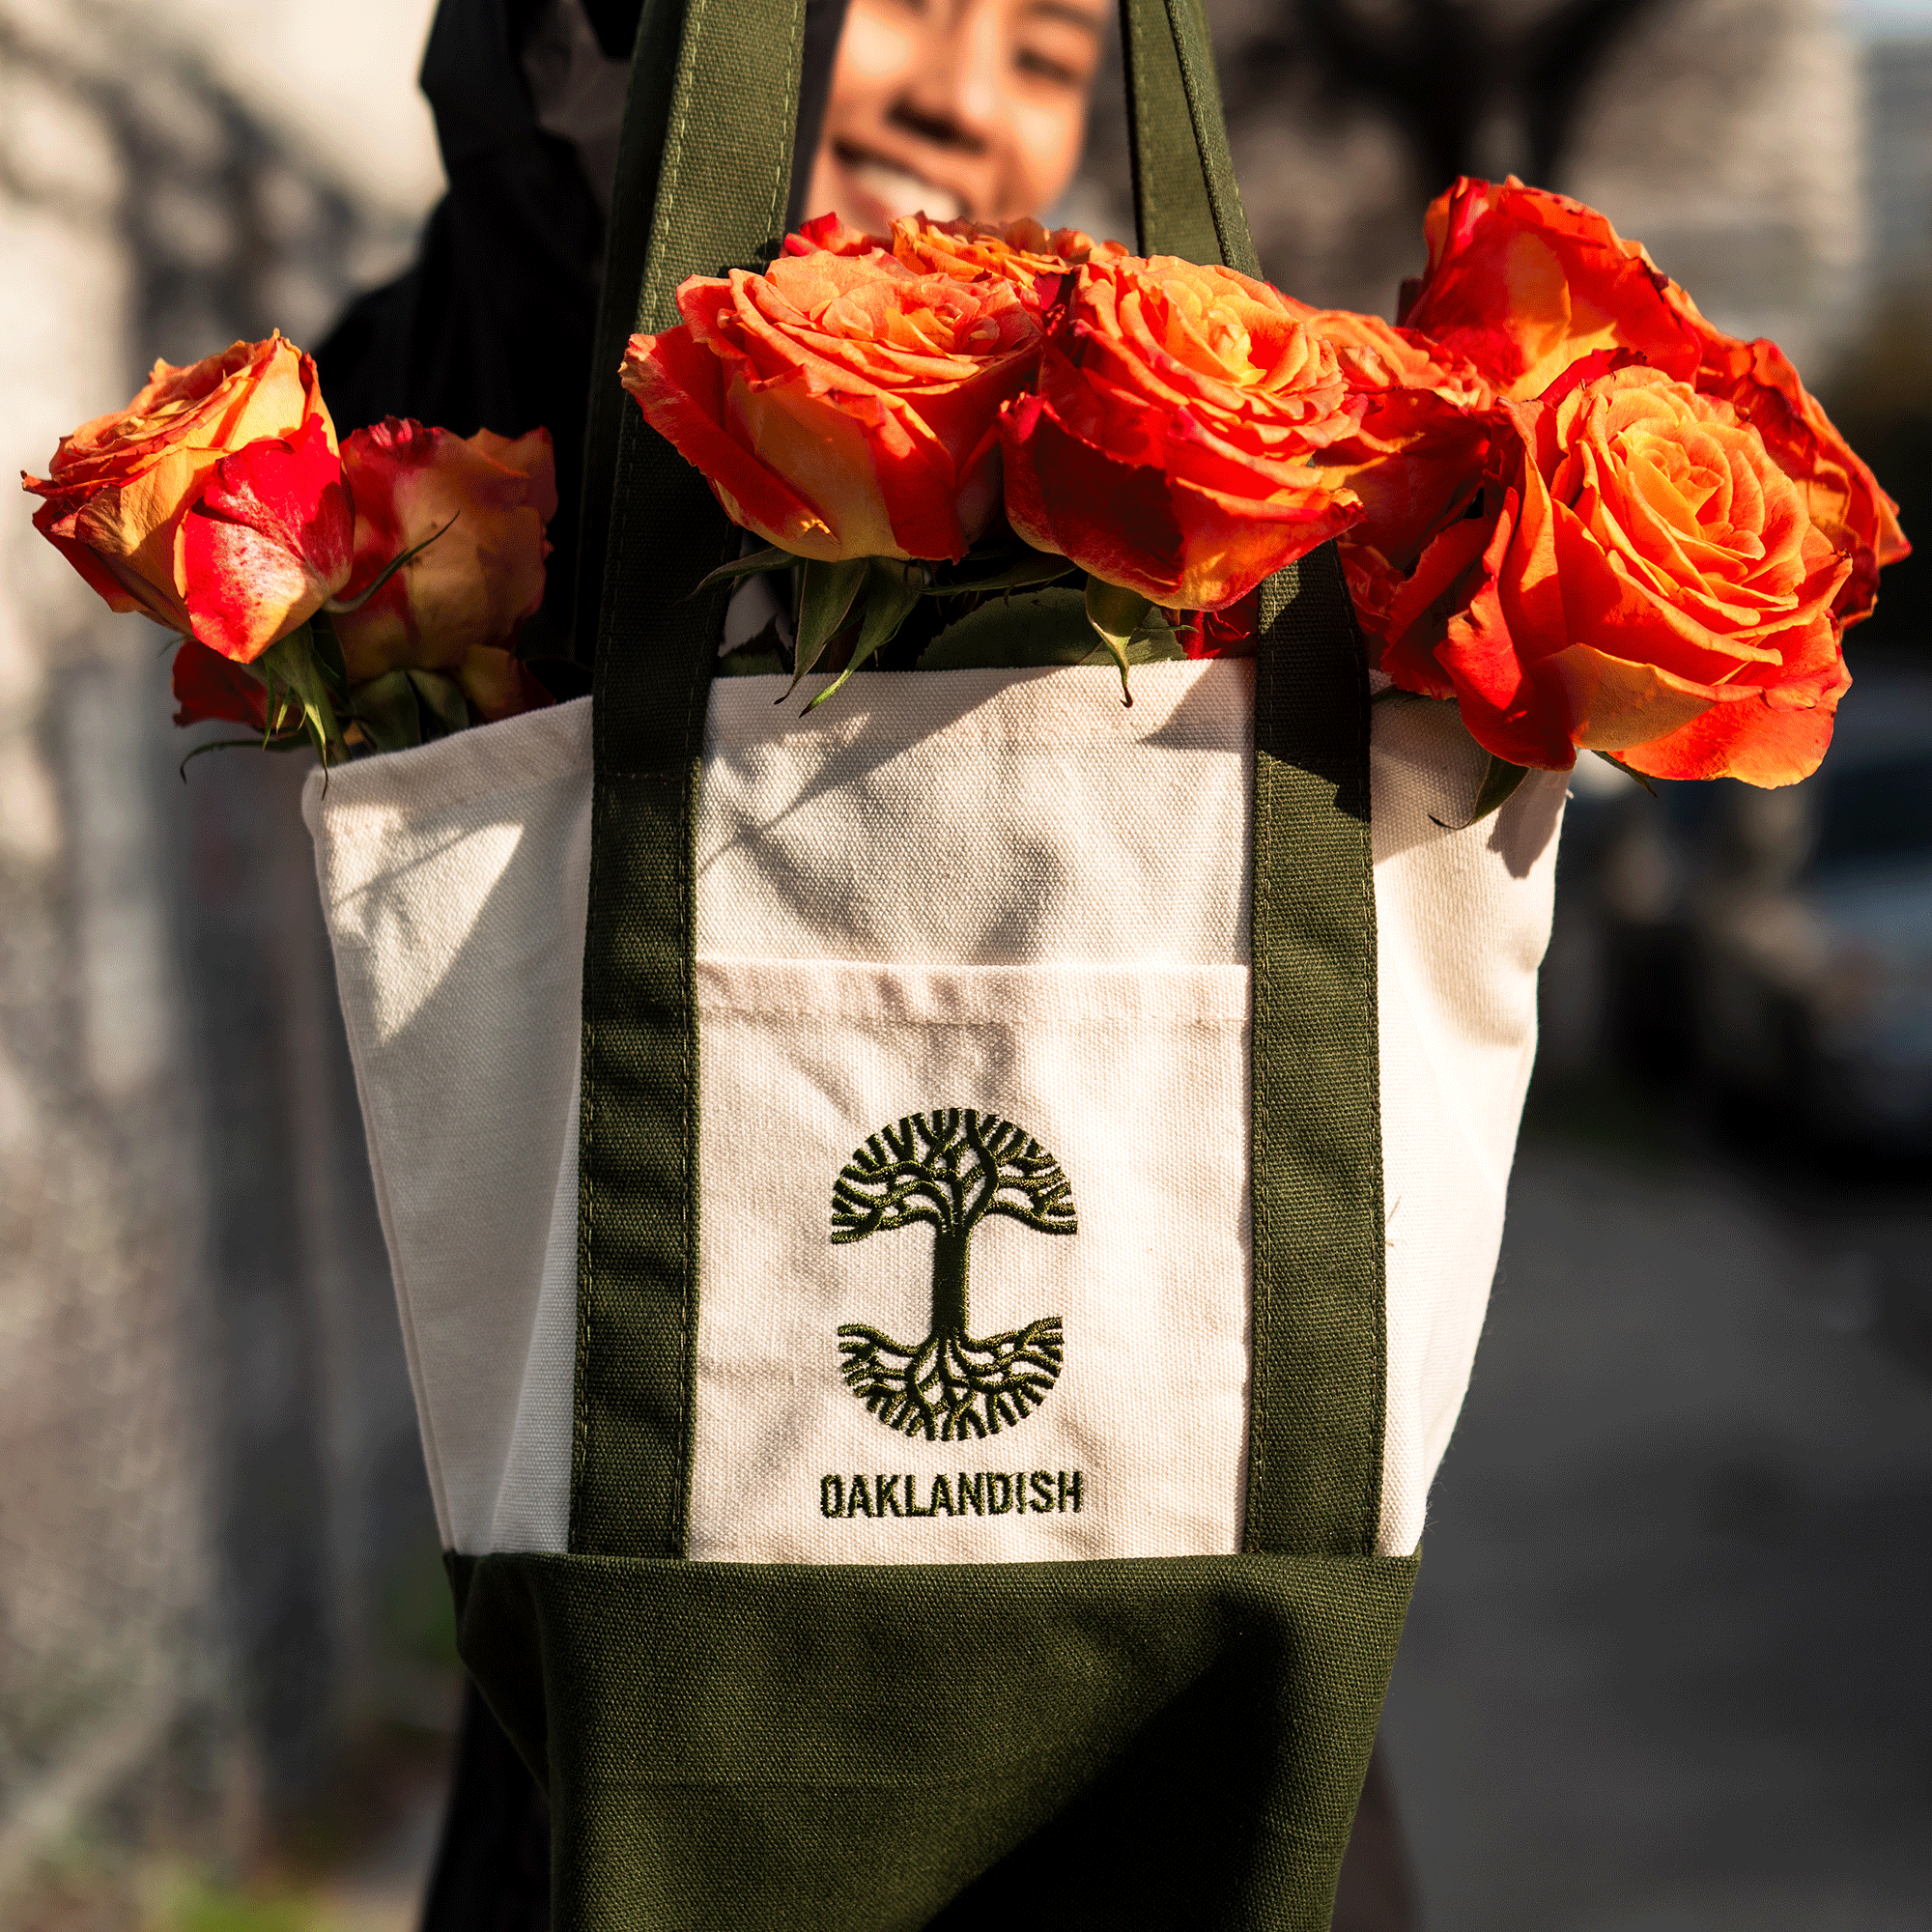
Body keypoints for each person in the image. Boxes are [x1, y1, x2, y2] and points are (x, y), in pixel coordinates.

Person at [317, 4, 1416, 1924]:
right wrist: (603, 135)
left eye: (1054, 45)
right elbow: (440, 393)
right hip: (650, 1684)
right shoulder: (503, 360)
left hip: (1154, 1645)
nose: (956, 95)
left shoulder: (1144, 444)